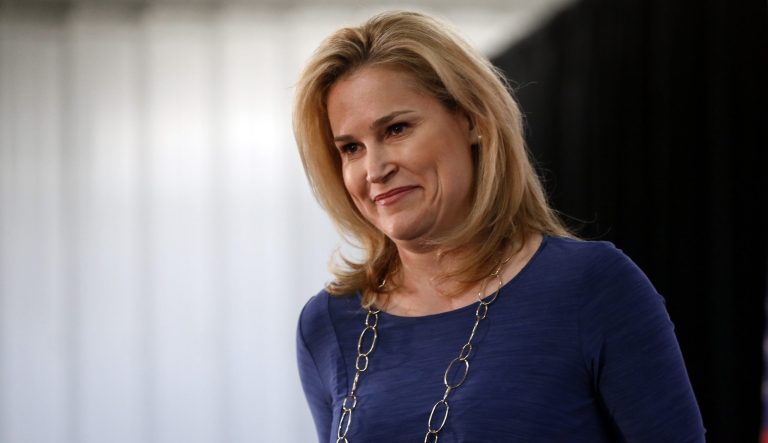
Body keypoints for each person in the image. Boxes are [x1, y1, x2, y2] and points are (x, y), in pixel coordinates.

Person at [293, 10, 704, 443]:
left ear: (472, 120)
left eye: (396, 129)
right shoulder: (328, 324)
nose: (374, 168)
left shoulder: (592, 287)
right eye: (351, 148)